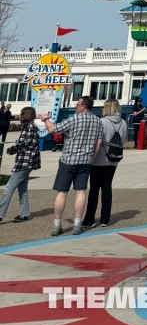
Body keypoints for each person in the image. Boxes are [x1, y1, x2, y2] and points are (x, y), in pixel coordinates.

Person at [43, 95, 102, 236]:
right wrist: (92, 158)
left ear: (83, 106)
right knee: (80, 192)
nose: (76, 106)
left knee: (62, 192)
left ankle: (57, 224)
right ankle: (77, 223)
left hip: (68, 160)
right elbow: (99, 142)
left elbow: (53, 130)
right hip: (86, 160)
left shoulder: (74, 119)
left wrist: (45, 119)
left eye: (77, 104)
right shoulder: (98, 121)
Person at [83, 98, 126, 228]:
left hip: (99, 159)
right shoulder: (123, 122)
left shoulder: (102, 122)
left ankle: (89, 218)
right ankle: (105, 218)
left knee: (94, 189)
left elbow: (97, 140)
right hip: (114, 158)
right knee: (107, 187)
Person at [0, 105, 39, 223]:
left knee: (9, 188)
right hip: (25, 162)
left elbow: (28, 143)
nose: (19, 116)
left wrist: (13, 149)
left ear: (25, 115)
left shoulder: (30, 127)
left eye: (22, 114)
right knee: (22, 188)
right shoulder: (28, 127)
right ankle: (24, 213)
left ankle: (0, 214)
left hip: (25, 162)